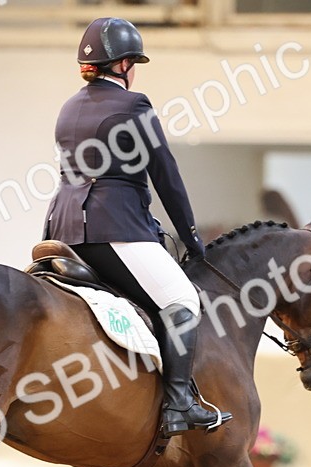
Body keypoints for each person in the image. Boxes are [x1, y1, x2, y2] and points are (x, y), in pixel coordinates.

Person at [43, 17, 232, 438]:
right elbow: (166, 175)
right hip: (116, 228)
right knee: (182, 298)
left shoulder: (68, 107)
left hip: (65, 230)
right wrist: (191, 238)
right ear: (124, 64)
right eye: (135, 63)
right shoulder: (134, 105)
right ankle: (180, 403)